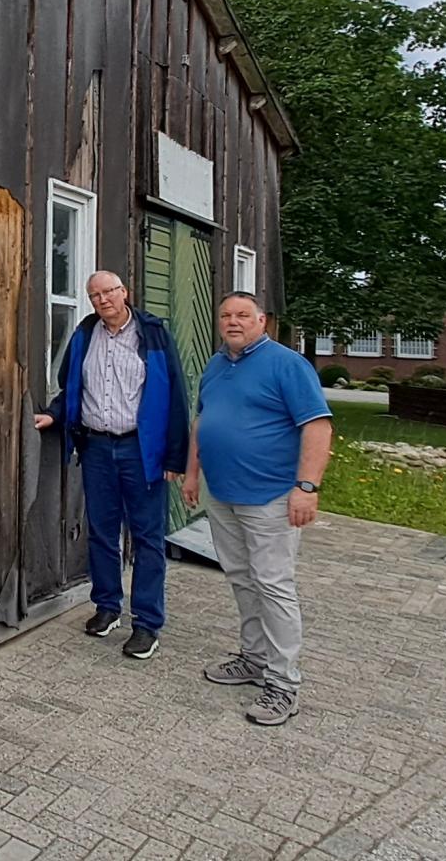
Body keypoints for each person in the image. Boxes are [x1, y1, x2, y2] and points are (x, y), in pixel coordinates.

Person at [182, 291, 333, 727]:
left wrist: (306, 487)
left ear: (261, 321)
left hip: (269, 496)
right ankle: (253, 658)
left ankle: (284, 684)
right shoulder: (216, 365)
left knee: (273, 585)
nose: (233, 321)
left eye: (243, 315)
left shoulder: (287, 365)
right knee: (242, 579)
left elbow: (317, 427)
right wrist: (193, 474)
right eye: (226, 315)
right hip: (223, 494)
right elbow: (202, 420)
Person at [34, 270, 189, 660]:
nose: (102, 300)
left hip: (141, 450)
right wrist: (55, 416)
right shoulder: (86, 335)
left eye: (109, 292)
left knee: (148, 537)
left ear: (125, 292)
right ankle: (107, 606)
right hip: (98, 449)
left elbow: (175, 394)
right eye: (94, 295)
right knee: (102, 532)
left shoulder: (152, 334)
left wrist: (175, 454)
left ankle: (147, 623)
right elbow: (72, 385)